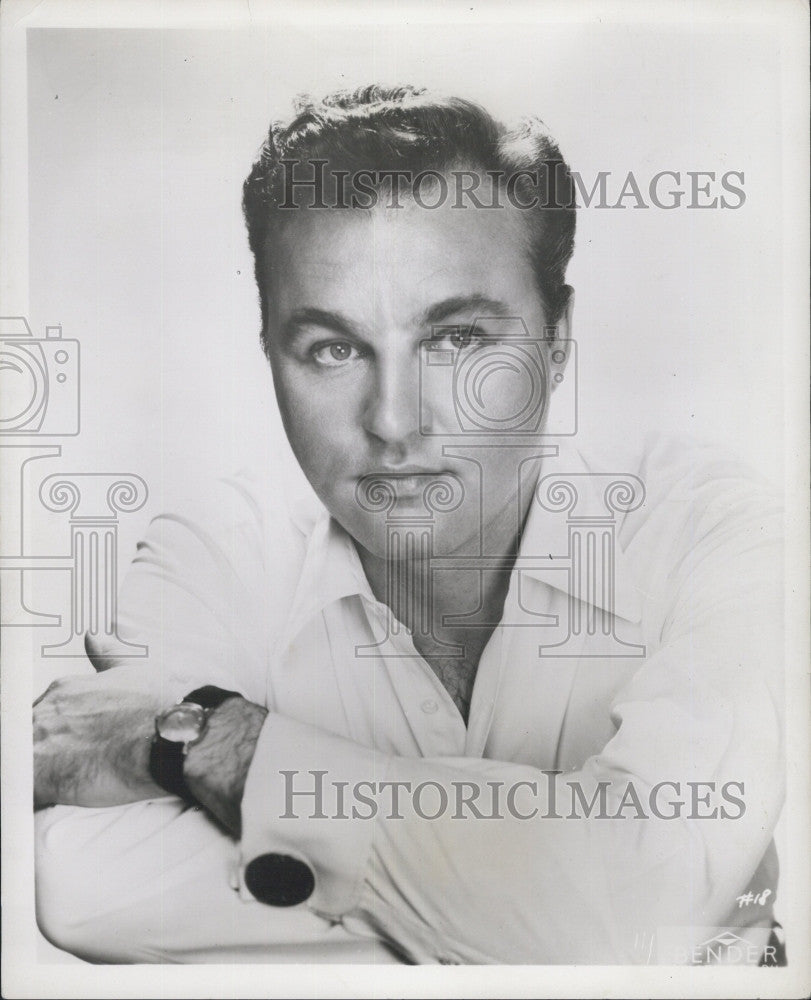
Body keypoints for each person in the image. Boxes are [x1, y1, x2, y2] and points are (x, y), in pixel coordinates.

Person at [34, 85, 784, 965]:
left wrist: (215, 738)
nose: (393, 422)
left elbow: (631, 906)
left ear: (557, 338)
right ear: (268, 349)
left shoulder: (714, 532)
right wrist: (561, 887)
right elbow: (85, 890)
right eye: (332, 348)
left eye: (457, 340)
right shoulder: (215, 556)